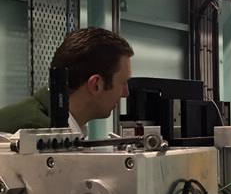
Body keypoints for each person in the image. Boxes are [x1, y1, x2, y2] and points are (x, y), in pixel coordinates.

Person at [0, 27, 133, 136]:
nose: (126, 93)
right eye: (123, 83)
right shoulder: (37, 132)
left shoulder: (56, 125)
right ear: (96, 85)